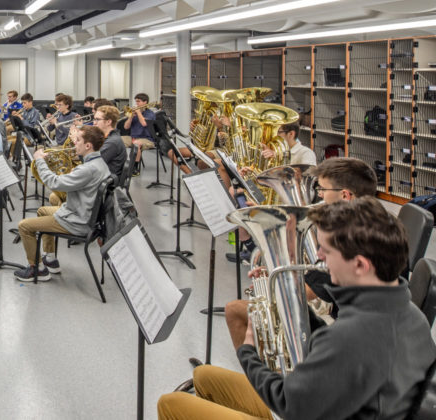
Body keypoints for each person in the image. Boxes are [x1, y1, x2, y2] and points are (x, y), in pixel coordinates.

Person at [158, 197, 436, 420]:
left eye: (327, 250)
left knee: (171, 404)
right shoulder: (409, 312)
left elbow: (288, 403)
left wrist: (248, 352)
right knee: (205, 375)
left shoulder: (350, 336)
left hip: (301, 407)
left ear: (361, 265)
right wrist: (296, 308)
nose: (318, 256)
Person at [223, 157, 376, 351]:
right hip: (356, 327)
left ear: (345, 195)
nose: (319, 196)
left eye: (322, 191)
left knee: (235, 310)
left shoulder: (347, 241)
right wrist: (278, 270)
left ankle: (261, 378)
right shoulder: (377, 225)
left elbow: (299, 294)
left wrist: (273, 276)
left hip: (343, 339)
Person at [16, 125, 110, 282]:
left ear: (88, 146)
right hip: (84, 215)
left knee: (24, 226)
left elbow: (53, 182)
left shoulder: (87, 169)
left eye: (78, 140)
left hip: (77, 221)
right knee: (42, 211)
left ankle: (37, 269)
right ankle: (50, 258)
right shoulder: (98, 163)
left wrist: (39, 161)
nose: (75, 144)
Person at [122, 93, 156, 176]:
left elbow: (144, 123)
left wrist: (139, 113)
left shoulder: (150, 113)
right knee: (116, 139)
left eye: (139, 101)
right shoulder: (134, 114)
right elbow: (126, 127)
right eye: (136, 101)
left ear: (145, 102)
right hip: (133, 137)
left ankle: (135, 169)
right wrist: (130, 117)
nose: (136, 104)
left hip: (147, 139)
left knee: (136, 144)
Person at [95, 105, 126, 178]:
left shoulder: (112, 142)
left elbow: (93, 163)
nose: (94, 123)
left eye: (97, 119)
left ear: (108, 122)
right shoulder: (106, 137)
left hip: (105, 180)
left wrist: (77, 142)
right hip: (102, 174)